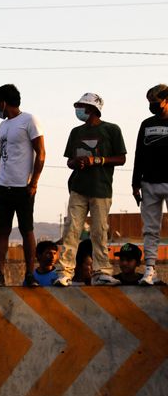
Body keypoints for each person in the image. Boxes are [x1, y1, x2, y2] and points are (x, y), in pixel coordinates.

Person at [53, 93, 126, 287]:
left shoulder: (111, 129)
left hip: (100, 188)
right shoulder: (75, 132)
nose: (78, 110)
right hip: (78, 187)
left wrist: (98, 160)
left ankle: (101, 271)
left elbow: (121, 158)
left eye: (81, 106)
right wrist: (75, 162)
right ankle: (65, 271)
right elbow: (69, 161)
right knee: (71, 229)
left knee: (99, 231)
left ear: (92, 109)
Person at [0, 84, 45, 287]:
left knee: (26, 230)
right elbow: (0, 154)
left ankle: (30, 275)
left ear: (3, 102)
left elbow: (41, 152)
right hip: (2, 186)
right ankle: (0, 274)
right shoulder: (3, 125)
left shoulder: (29, 120)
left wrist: (34, 182)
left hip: (23, 186)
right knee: (3, 231)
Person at [132, 84, 168, 285]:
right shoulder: (146, 124)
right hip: (149, 183)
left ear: (166, 100)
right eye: (149, 103)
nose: (152, 106)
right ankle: (150, 269)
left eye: (155, 103)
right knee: (150, 229)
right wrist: (135, 183)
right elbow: (139, 153)